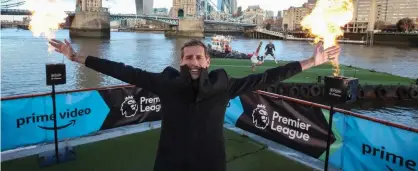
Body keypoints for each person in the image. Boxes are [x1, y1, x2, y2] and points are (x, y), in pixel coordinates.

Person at [49, 38, 340, 171]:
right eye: (188, 57)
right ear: (180, 62)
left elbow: (269, 76)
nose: (194, 62)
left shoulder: (223, 86)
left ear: (208, 61)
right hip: (170, 163)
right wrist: (77, 57)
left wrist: (312, 61)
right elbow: (123, 70)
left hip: (210, 164)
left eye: (199, 57)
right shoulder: (164, 83)